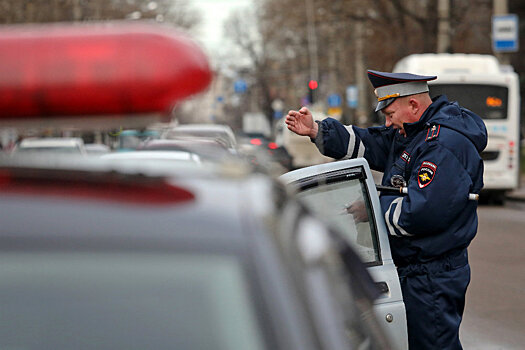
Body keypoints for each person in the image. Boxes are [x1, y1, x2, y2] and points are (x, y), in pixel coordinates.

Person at [285, 70, 487, 350]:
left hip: (430, 275)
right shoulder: (414, 132)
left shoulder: (443, 144)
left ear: (413, 105)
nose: (388, 123)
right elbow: (368, 142)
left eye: (390, 114)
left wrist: (372, 209)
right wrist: (317, 131)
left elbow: (421, 211)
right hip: (418, 270)